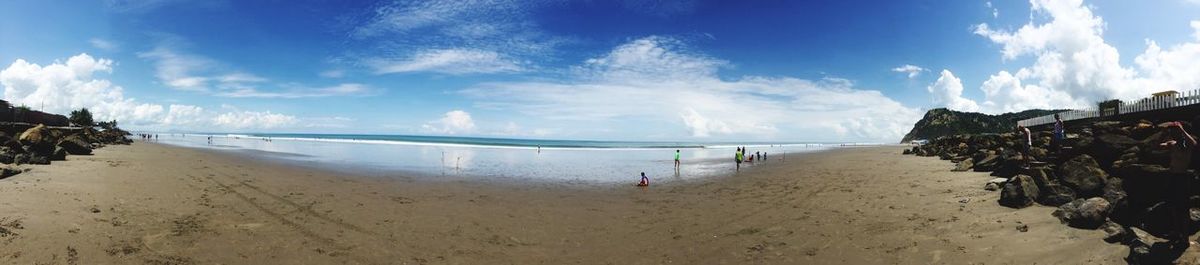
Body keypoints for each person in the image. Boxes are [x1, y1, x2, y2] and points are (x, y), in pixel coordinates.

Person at [1160, 122, 1197, 245]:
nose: (1174, 133)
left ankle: (1185, 237)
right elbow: (1159, 146)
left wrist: (1182, 130)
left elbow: (1194, 143)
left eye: (1175, 131)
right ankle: (1176, 232)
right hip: (1173, 177)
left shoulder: (1187, 145)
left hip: (1182, 177)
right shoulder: (1172, 144)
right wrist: (1164, 133)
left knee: (1183, 209)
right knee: (1173, 206)